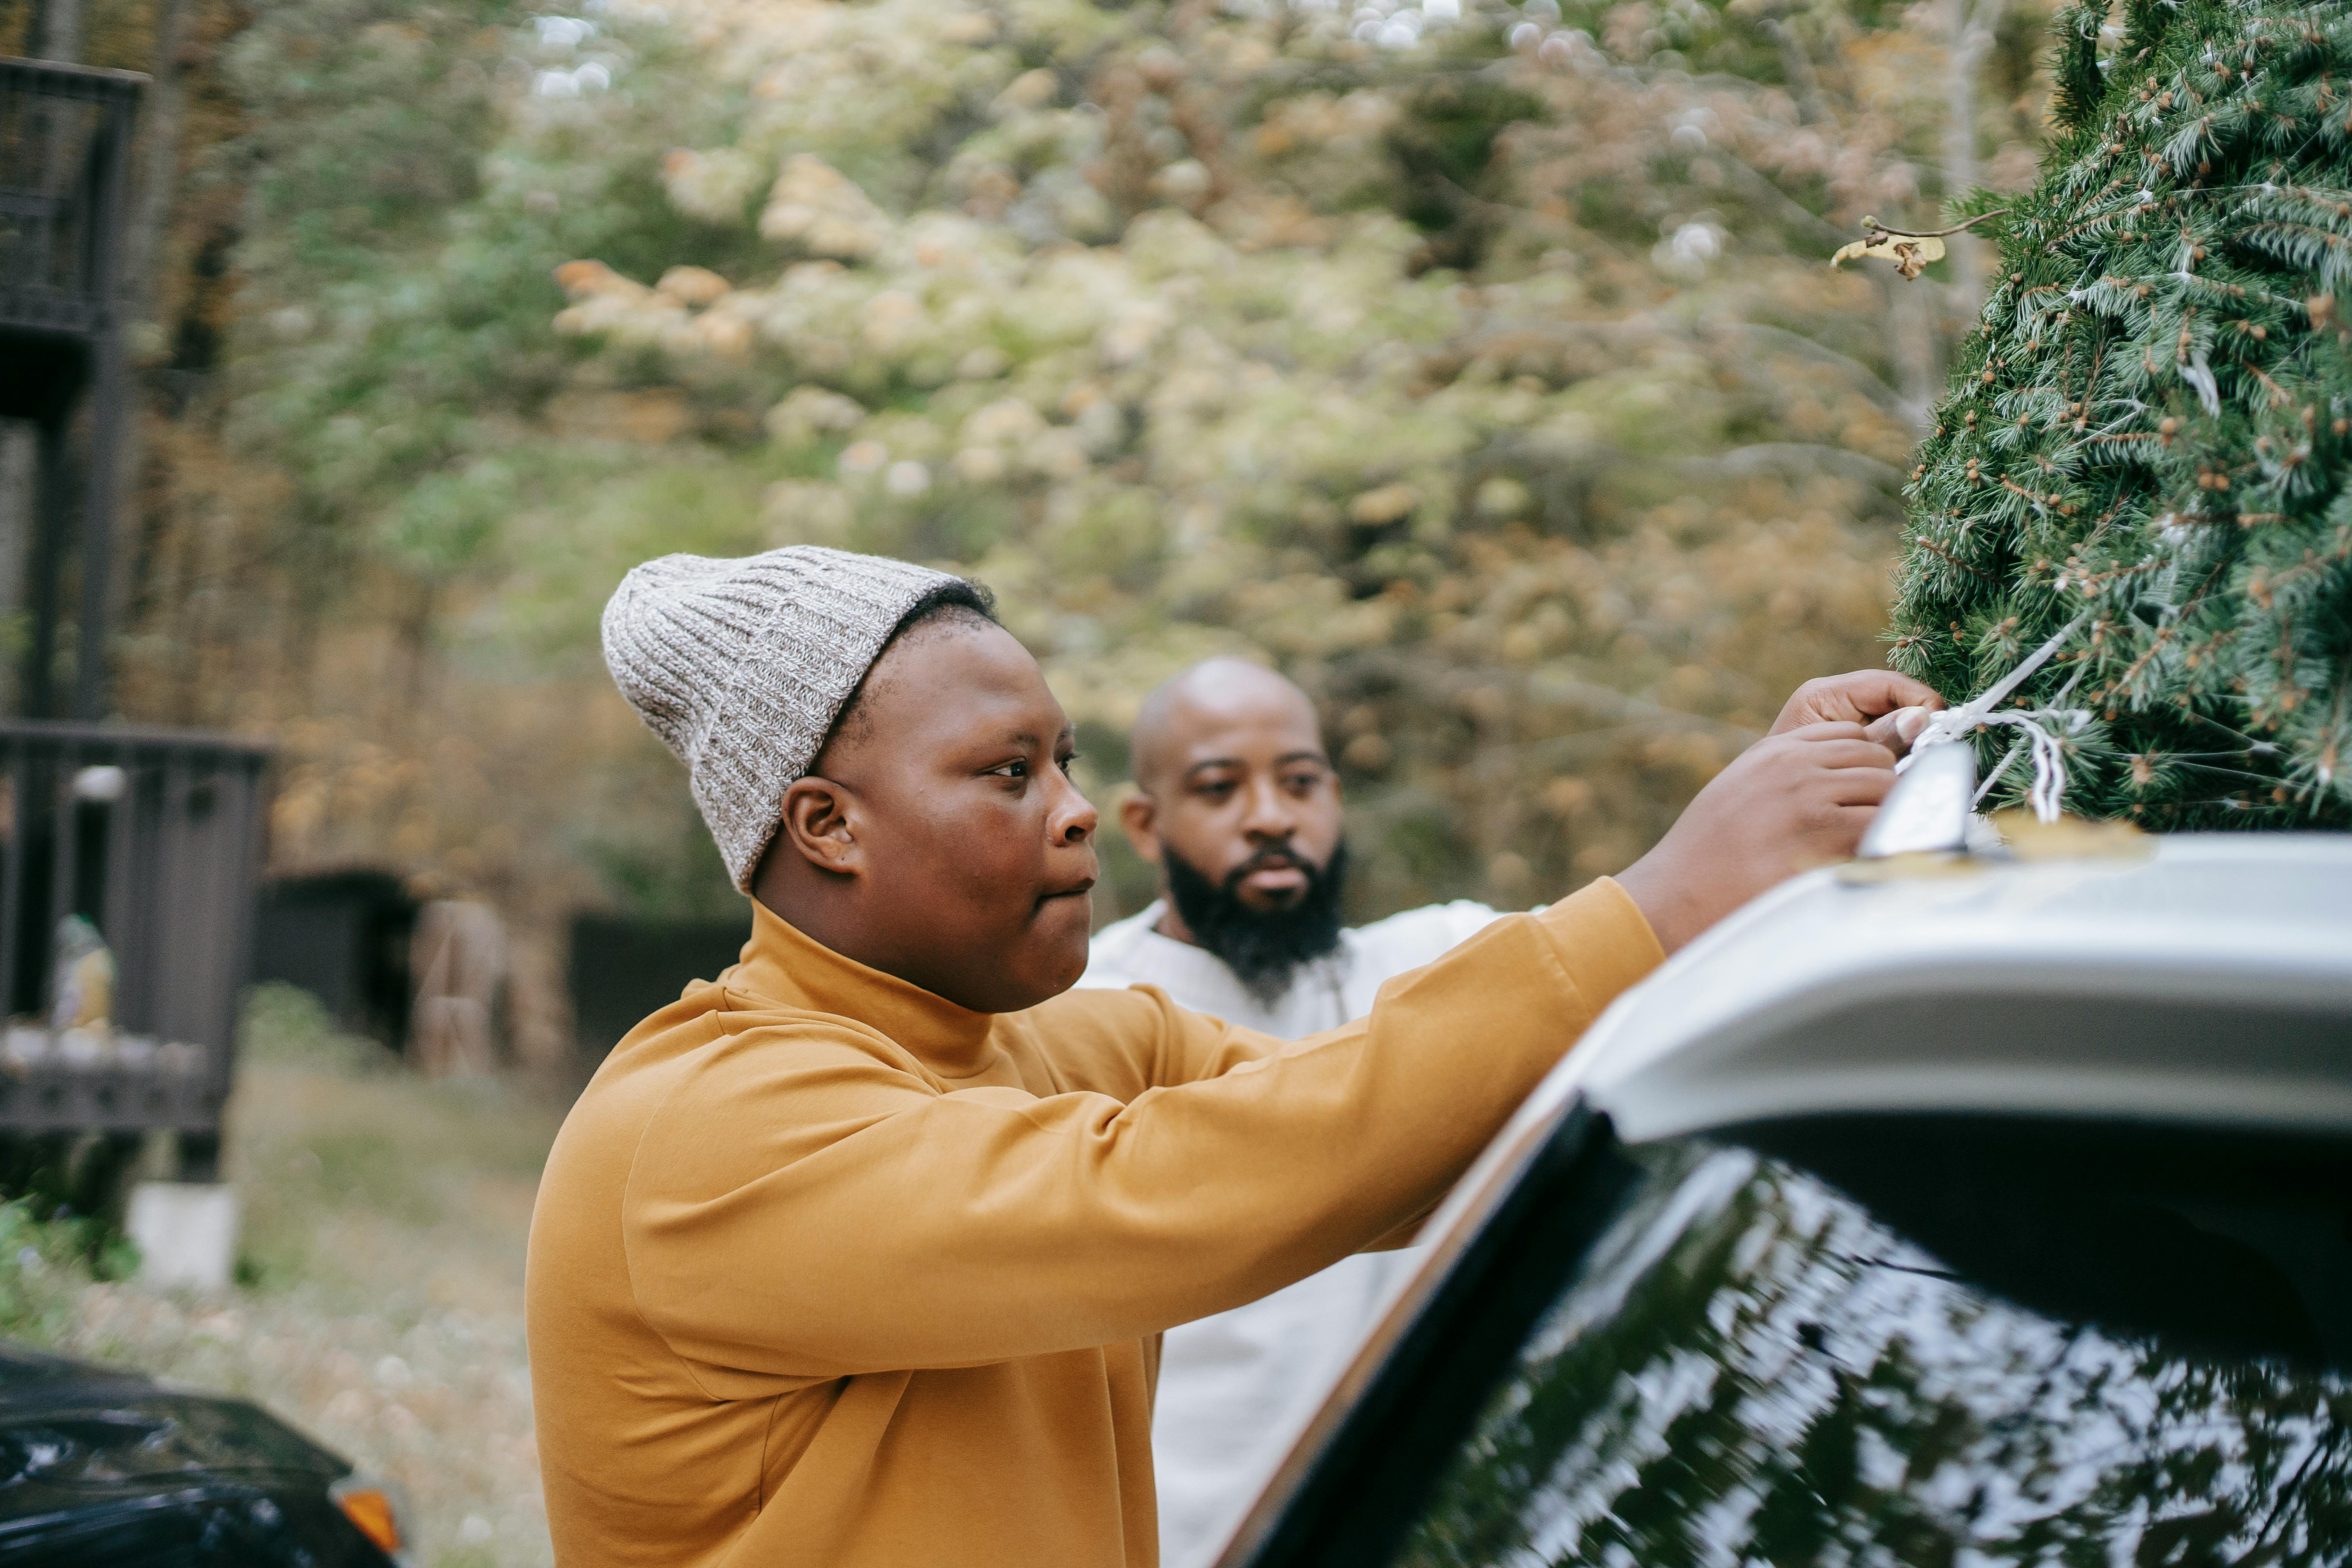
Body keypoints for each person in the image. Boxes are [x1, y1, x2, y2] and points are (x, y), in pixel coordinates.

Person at [526, 544, 1935, 1568]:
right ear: (828, 826)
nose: (1076, 816)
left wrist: (1741, 868)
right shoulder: (705, 1129)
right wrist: (1661, 901)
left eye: (1067, 764)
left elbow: (1380, 1114)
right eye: (1008, 774)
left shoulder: (1054, 1043)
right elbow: (1210, 1180)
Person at [1079, 659, 1507, 1568]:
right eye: (1220, 787)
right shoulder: (1077, 1023)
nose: (1271, 815)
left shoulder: (1430, 965)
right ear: (1146, 825)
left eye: (1301, 782)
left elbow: (1659, 920)